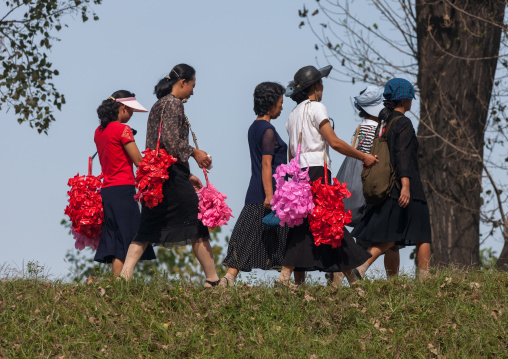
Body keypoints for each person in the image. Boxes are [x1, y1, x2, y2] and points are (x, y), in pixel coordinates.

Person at [276, 65, 378, 286]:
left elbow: (291, 153)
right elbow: (334, 142)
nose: (323, 88)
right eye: (321, 83)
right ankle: (351, 278)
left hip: (298, 175)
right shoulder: (317, 108)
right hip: (317, 172)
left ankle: (289, 276)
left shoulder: (292, 116)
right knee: (331, 222)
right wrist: (363, 157)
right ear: (315, 86)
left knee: (309, 224)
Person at [119, 64, 220, 287]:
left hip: (159, 175)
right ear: (182, 82)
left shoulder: (159, 104)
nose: (193, 92)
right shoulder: (173, 104)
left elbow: (162, 143)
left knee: (147, 226)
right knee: (197, 221)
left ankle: (124, 276)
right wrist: (195, 153)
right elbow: (172, 142)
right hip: (170, 175)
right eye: (192, 85)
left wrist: (188, 174)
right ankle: (212, 279)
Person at [351, 78, 432, 281]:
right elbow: (403, 154)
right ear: (405, 99)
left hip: (386, 185)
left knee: (393, 237)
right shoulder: (403, 122)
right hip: (406, 185)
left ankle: (391, 282)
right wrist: (406, 185)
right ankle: (424, 279)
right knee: (422, 233)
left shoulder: (382, 122)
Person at [220, 82, 292, 286]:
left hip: (256, 189)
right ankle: (230, 279)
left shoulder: (254, 127)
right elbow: (266, 164)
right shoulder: (268, 130)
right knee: (264, 234)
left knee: (248, 234)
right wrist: (270, 195)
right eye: (280, 102)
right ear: (270, 104)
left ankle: (230, 278)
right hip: (268, 191)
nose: (281, 107)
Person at [328, 86, 400, 286]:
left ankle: (342, 274)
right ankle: (391, 283)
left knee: (362, 236)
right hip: (369, 186)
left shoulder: (359, 129)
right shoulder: (378, 130)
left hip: (349, 185)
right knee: (391, 239)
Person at [94, 90, 156, 275]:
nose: (131, 115)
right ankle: (124, 278)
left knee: (117, 240)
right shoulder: (123, 130)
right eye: (130, 111)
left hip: (107, 191)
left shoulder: (98, 131)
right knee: (134, 236)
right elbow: (138, 160)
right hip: (124, 189)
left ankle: (118, 285)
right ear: (122, 109)